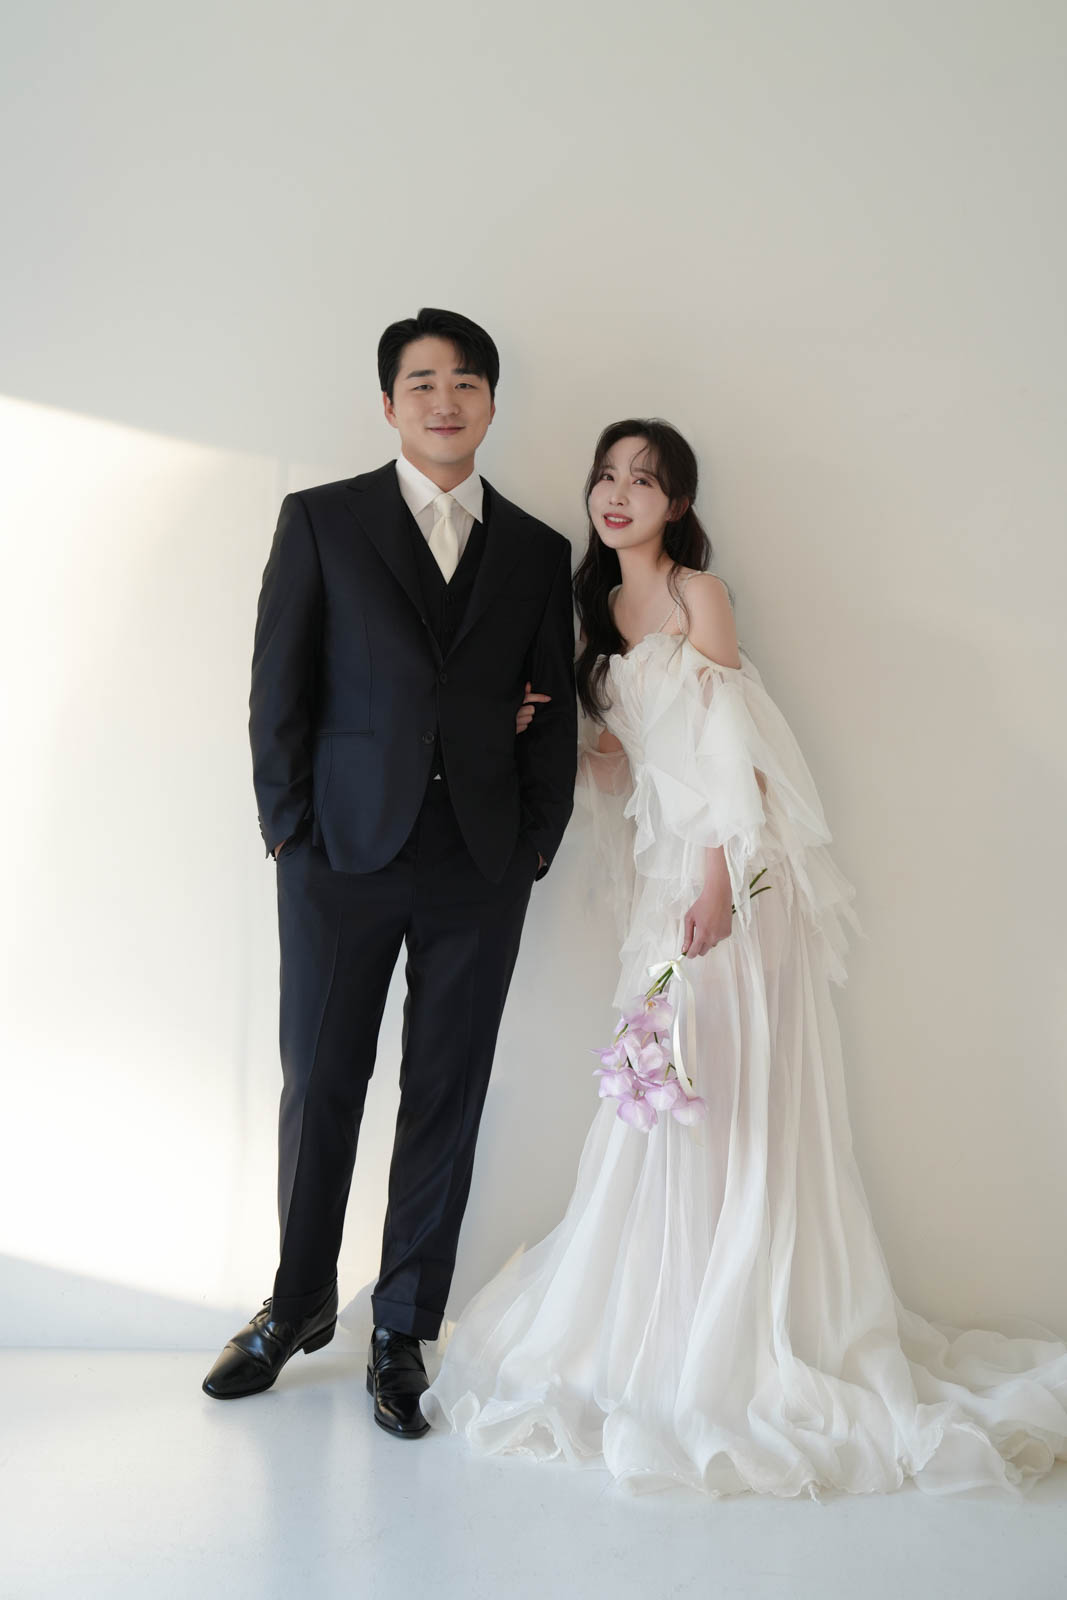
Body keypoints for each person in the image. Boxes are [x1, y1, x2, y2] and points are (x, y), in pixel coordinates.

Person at [421, 418, 1067, 1494]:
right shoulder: (597, 615)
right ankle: (672, 1315)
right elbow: (623, 769)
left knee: (726, 1084)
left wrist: (719, 880)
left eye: (644, 480)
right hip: (663, 882)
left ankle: (748, 1320)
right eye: (607, 476)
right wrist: (552, 729)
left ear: (676, 503)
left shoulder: (696, 596)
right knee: (665, 1092)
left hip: (733, 872)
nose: (618, 494)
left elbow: (732, 750)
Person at [202, 309, 577, 1437]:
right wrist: (288, 833)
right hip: (338, 857)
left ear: (492, 402)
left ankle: (401, 1329)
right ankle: (297, 1302)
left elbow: (549, 711)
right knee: (320, 1083)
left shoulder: (536, 551)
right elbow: (278, 687)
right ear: (387, 404)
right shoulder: (321, 520)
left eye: (466, 382)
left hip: (479, 860)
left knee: (444, 1094)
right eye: (421, 383)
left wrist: (535, 842)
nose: (444, 400)